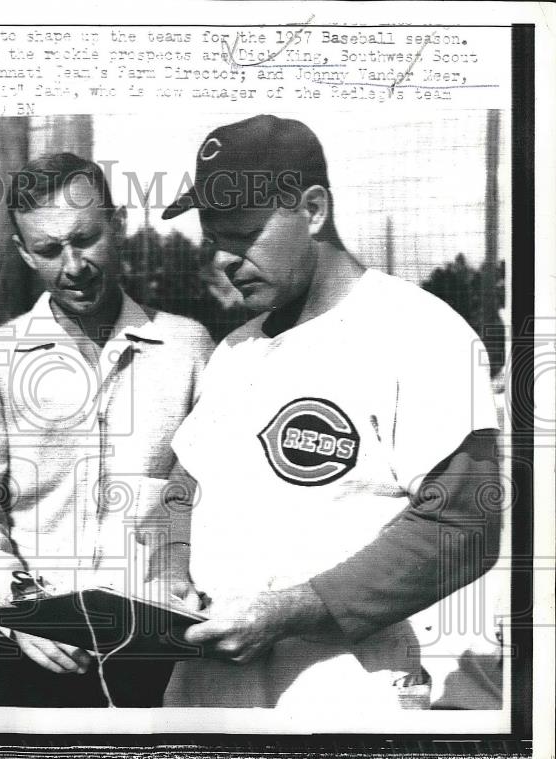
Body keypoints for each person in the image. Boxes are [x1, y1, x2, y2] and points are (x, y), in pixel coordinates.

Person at [159, 115, 501, 712]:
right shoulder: (235, 349)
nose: (223, 260)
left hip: (341, 691)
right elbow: (184, 488)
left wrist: (286, 612)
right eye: (213, 239)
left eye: (243, 233)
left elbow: (465, 527)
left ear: (313, 210)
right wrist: (168, 564)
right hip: (206, 690)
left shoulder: (417, 331)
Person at [0, 153, 215, 707]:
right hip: (20, 651)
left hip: (150, 651)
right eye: (48, 249)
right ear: (22, 253)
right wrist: (15, 611)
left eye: (86, 239)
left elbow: (211, 489)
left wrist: (187, 576)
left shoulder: (187, 348)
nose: (74, 265)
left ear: (120, 224)